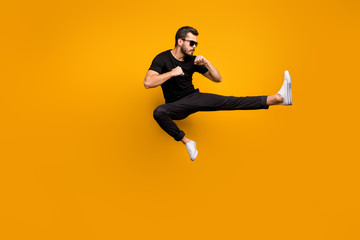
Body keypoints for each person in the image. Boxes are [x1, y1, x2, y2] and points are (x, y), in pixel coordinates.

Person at [144, 26, 292, 161]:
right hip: (175, 107)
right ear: (180, 41)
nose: (194, 47)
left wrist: (207, 63)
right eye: (191, 43)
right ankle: (187, 142)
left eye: (196, 44)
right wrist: (172, 73)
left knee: (231, 101)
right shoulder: (162, 58)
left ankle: (277, 98)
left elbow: (217, 79)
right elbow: (148, 83)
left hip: (194, 98)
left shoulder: (192, 61)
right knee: (159, 112)